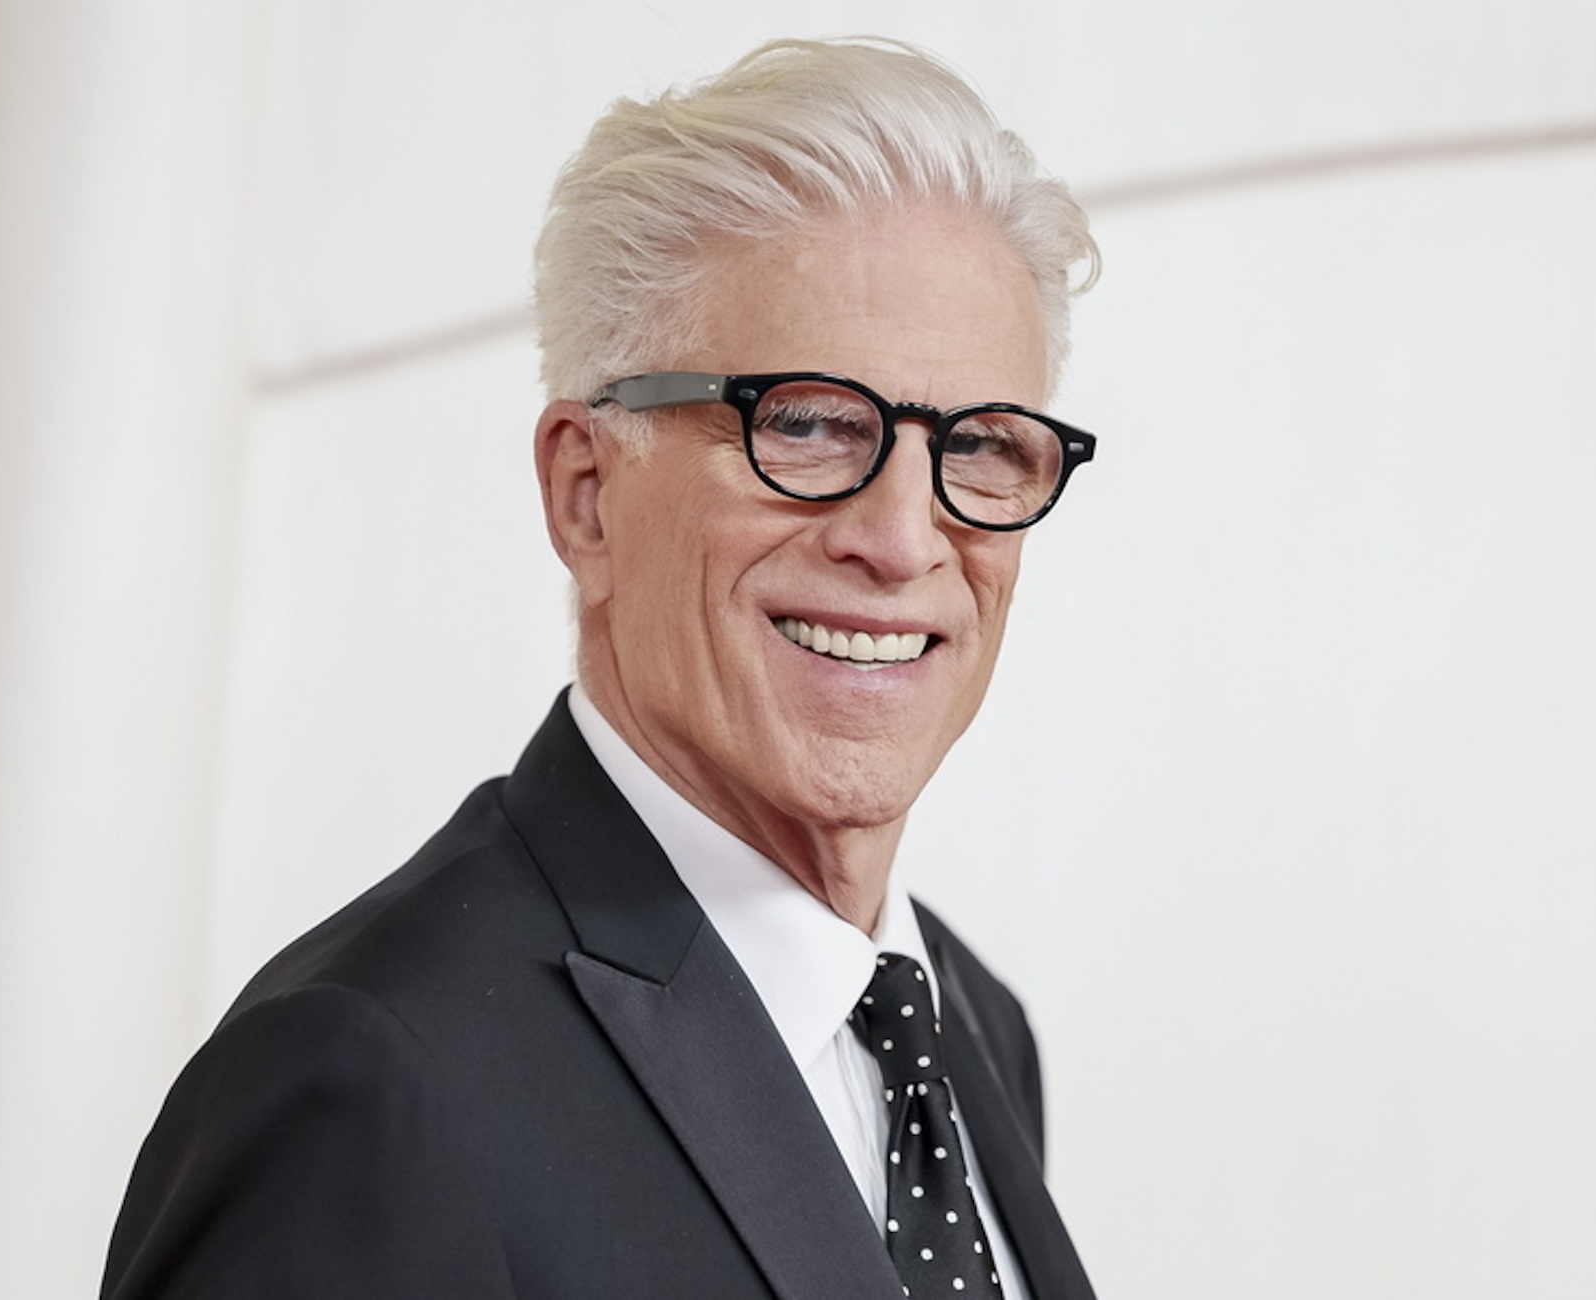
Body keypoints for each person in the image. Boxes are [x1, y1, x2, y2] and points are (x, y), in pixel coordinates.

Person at [102, 36, 1100, 1300]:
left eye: (986, 446)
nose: (903, 541)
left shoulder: (966, 1027)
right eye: (804, 422)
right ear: (585, 492)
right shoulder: (371, 1080)